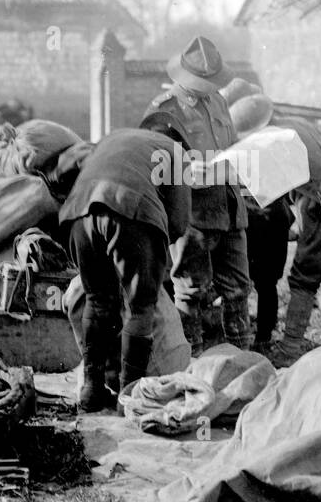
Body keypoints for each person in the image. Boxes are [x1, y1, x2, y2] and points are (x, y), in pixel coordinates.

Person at [227, 89, 321, 368]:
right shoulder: (298, 124)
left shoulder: (276, 139)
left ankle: (290, 348)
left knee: (304, 277)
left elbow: (272, 189)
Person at [55, 127, 191, 412]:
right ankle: (129, 395)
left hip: (78, 212)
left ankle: (91, 389)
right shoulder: (177, 154)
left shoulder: (116, 137)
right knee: (141, 306)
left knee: (98, 299)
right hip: (129, 209)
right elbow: (178, 222)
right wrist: (154, 252)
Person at [141, 37, 252, 355]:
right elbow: (156, 169)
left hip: (230, 208)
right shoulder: (164, 110)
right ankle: (191, 362)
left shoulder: (217, 102)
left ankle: (240, 357)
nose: (208, 87)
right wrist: (190, 168)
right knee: (192, 291)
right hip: (192, 215)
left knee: (238, 288)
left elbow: (231, 145)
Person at [220, 78, 293, 354]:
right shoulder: (273, 133)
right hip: (273, 218)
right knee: (266, 284)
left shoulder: (239, 138)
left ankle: (246, 340)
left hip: (257, 220)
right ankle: (261, 338)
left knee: (242, 283)